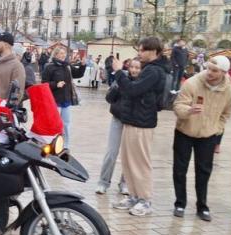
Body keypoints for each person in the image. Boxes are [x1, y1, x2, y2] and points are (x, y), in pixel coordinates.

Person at [171, 56, 231, 222]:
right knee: (180, 169)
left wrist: (217, 128)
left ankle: (202, 206)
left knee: (204, 172)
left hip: (208, 135)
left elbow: (226, 114)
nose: (210, 73)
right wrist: (188, 110)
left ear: (223, 72)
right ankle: (180, 203)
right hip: (184, 131)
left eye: (215, 71)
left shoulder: (229, 91)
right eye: (208, 69)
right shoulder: (192, 83)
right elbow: (178, 106)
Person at [111, 37, 169, 216]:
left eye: (143, 50)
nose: (139, 53)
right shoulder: (149, 69)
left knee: (140, 162)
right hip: (132, 119)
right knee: (128, 161)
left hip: (142, 123)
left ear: (154, 51)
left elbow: (133, 89)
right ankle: (134, 196)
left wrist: (120, 73)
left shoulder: (154, 71)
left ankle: (145, 199)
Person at [96, 58, 142, 195]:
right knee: (111, 153)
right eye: (132, 67)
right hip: (118, 119)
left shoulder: (143, 83)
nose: (134, 70)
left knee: (129, 155)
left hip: (133, 122)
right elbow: (109, 99)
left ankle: (125, 183)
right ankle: (103, 182)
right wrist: (116, 87)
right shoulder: (122, 78)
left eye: (137, 68)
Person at [41, 46, 85, 148]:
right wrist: (55, 84)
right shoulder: (49, 67)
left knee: (66, 124)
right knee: (54, 124)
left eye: (64, 53)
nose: (63, 55)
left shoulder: (67, 66)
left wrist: (83, 65)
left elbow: (78, 74)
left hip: (66, 100)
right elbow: (44, 83)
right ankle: (51, 143)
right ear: (55, 55)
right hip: (54, 100)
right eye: (60, 53)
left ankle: (65, 145)